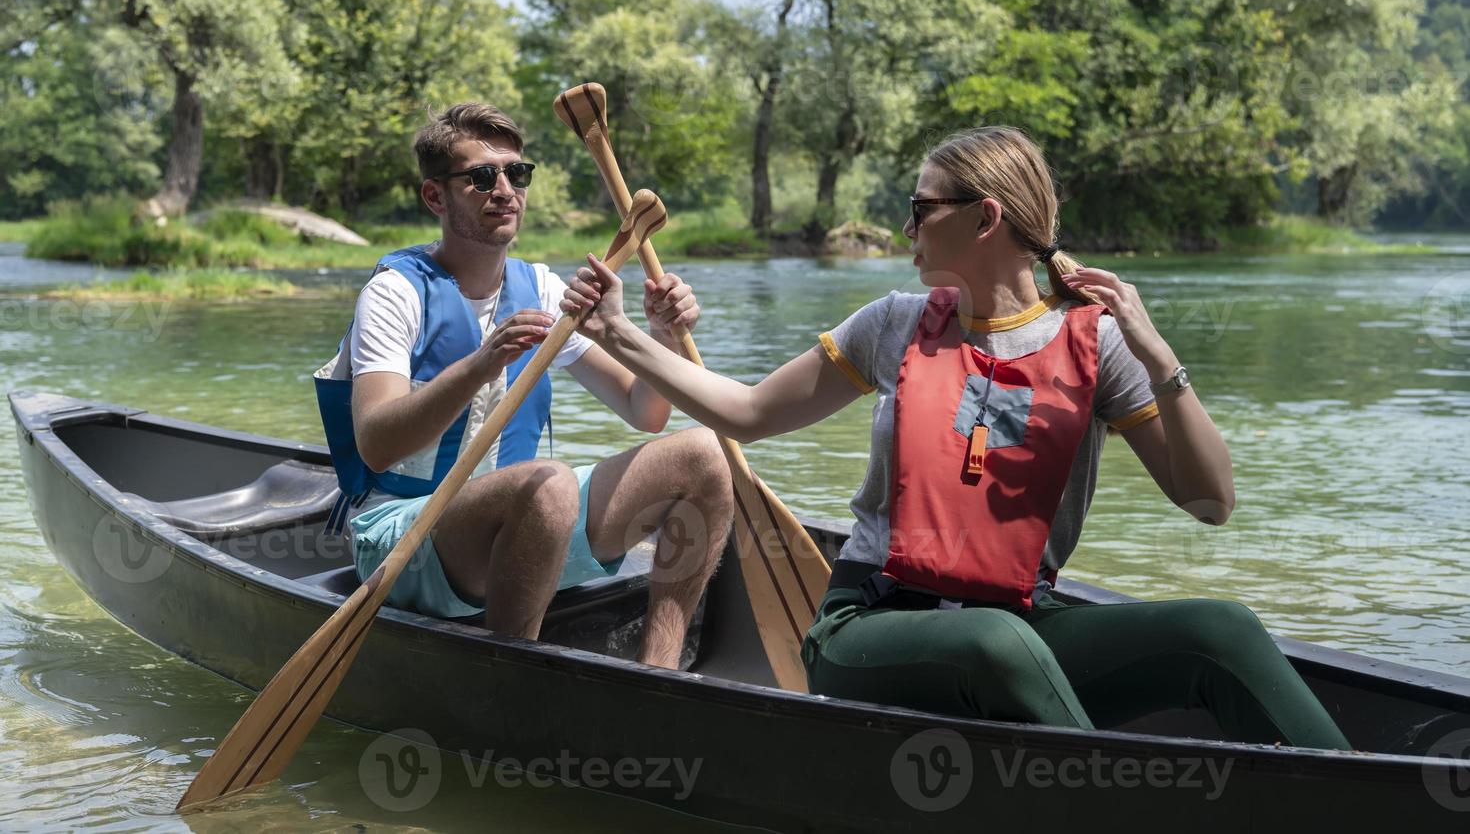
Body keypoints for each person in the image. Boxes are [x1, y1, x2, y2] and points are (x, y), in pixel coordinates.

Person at [561, 126, 1351, 748]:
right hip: (867, 628)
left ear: (986, 217)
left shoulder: (1099, 345)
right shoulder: (894, 324)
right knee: (994, 643)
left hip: (1023, 625)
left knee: (1221, 630)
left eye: (921, 207)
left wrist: (1161, 357)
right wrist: (623, 334)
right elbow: (746, 413)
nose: (906, 226)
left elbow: (1210, 500)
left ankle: (1352, 800)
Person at [314, 102, 733, 669]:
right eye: (482, 177)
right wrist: (482, 364)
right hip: (401, 537)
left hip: (529, 521)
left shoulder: (538, 286)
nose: (505, 189)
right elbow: (377, 442)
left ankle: (658, 674)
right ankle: (512, 677)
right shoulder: (396, 293)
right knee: (550, 483)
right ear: (436, 197)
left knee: (704, 455)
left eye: (518, 173)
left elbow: (645, 409)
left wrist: (656, 330)